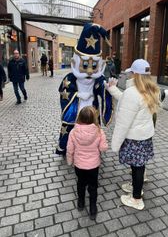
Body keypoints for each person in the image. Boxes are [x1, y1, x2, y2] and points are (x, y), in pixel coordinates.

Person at [106, 59, 160, 210]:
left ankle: (136, 198)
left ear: (135, 74)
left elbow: (123, 122)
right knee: (139, 166)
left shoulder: (132, 92)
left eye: (131, 72)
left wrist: (115, 144)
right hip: (144, 137)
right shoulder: (151, 89)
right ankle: (137, 187)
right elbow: (127, 100)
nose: (129, 75)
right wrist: (112, 89)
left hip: (134, 139)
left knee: (137, 167)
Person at [56, 23, 113, 156]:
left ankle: (92, 149)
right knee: (70, 130)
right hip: (76, 111)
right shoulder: (70, 78)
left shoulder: (98, 79)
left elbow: (104, 92)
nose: (89, 71)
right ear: (75, 62)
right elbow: (65, 94)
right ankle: (68, 149)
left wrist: (109, 89)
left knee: (92, 131)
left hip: (92, 111)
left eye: (93, 66)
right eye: (85, 65)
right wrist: (78, 95)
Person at [67, 106, 108, 220]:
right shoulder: (99, 131)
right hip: (93, 166)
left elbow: (70, 149)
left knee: (80, 183)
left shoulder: (73, 132)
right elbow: (103, 148)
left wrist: (70, 161)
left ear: (79, 117)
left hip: (79, 165)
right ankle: (93, 209)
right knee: (93, 186)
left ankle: (80, 203)